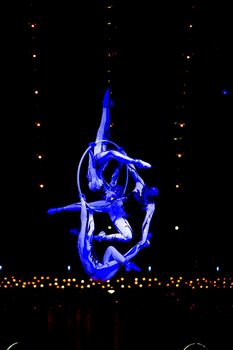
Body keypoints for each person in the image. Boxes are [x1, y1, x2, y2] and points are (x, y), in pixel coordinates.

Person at [86, 88, 152, 194]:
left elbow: (92, 167)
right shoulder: (107, 187)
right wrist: (121, 161)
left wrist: (90, 150)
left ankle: (136, 161)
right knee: (105, 129)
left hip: (96, 159)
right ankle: (106, 105)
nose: (116, 190)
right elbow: (115, 174)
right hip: (101, 161)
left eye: (116, 191)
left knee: (104, 130)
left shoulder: (95, 185)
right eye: (117, 190)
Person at [75, 195, 150, 282]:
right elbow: (83, 220)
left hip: (101, 268)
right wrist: (83, 202)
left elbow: (91, 227)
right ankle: (133, 256)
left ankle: (137, 250)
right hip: (99, 273)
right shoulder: (82, 242)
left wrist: (91, 212)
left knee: (110, 249)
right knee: (124, 259)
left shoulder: (87, 241)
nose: (90, 236)